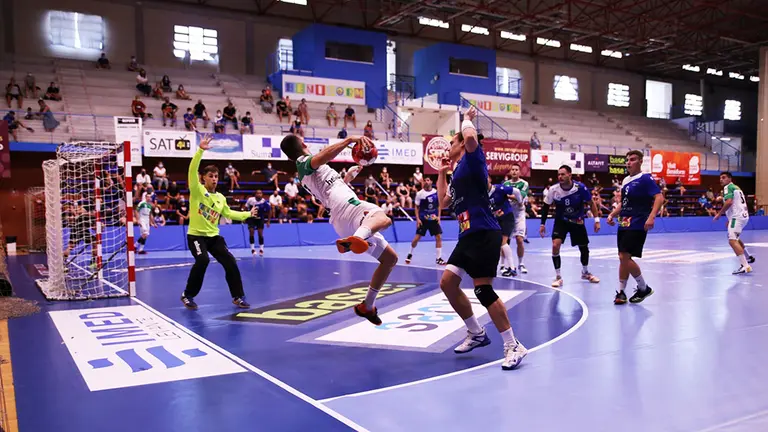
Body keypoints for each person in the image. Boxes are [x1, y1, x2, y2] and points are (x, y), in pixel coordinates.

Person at [435, 106, 527, 370]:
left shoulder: (473, 159)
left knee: (482, 290)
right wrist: (442, 172)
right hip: (467, 235)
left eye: (452, 142)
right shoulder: (458, 173)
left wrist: (466, 119)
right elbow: (443, 202)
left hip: (485, 232)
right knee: (448, 283)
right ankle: (476, 333)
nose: (449, 147)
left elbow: (472, 139)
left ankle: (513, 345)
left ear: (462, 143)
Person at [280, 134, 398, 325]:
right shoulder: (303, 162)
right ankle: (357, 238)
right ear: (303, 144)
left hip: (341, 217)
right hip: (346, 207)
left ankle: (367, 306)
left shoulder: (311, 170)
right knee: (382, 217)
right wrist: (348, 140)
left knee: (390, 259)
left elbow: (330, 189)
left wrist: (346, 179)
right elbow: (321, 158)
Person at [181, 135, 258, 310]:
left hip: (213, 237)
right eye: (210, 176)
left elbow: (228, 213)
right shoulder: (197, 190)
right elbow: (191, 170)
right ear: (203, 178)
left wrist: (247, 214)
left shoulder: (220, 198)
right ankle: (187, 295)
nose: (214, 179)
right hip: (196, 236)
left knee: (230, 261)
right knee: (202, 261)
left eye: (216, 176)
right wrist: (200, 150)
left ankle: (238, 297)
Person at [606, 150, 664, 305]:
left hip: (638, 221)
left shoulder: (645, 178)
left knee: (624, 256)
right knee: (623, 257)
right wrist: (612, 214)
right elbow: (623, 203)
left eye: (632, 160)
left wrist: (651, 217)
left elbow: (659, 197)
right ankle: (621, 292)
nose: (628, 162)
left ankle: (643, 287)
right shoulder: (625, 181)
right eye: (627, 160)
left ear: (640, 162)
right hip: (624, 222)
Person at [539, 165, 601, 287]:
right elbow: (545, 207)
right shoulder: (553, 190)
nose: (560, 177)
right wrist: (542, 224)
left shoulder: (580, 188)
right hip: (561, 221)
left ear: (569, 175)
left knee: (583, 247)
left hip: (577, 221)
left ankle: (585, 272)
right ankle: (558, 277)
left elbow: (591, 203)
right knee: (555, 245)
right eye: (558, 175)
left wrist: (597, 220)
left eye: (563, 174)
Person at [713, 171, 754, 274]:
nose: (721, 179)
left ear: (730, 179)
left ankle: (745, 266)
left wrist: (719, 214)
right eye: (720, 178)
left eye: (724, 177)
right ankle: (748, 257)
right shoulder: (736, 188)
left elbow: (729, 202)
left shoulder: (727, 187)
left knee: (732, 241)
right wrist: (729, 219)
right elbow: (735, 202)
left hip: (737, 217)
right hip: (743, 216)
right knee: (736, 238)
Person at [405, 177, 445, 266]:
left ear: (431, 182)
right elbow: (416, 207)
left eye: (428, 180)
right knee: (416, 239)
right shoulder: (420, 194)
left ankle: (438, 258)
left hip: (434, 219)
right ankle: (410, 253)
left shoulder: (436, 192)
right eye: (425, 180)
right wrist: (418, 219)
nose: (426, 182)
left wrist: (439, 216)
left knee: (438, 237)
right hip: (423, 220)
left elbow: (438, 206)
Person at [488, 177, 523, 277]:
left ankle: (512, 268)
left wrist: (520, 202)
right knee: (500, 243)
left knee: (503, 242)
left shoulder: (499, 189)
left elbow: (516, 191)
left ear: (490, 179)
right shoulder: (483, 195)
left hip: (507, 218)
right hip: (497, 219)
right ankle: (503, 266)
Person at [502, 164, 530, 273]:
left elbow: (521, 196)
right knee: (505, 241)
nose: (514, 171)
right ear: (510, 172)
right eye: (512, 170)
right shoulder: (505, 183)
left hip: (519, 215)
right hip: (508, 214)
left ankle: (521, 263)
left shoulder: (524, 183)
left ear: (520, 172)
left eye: (516, 170)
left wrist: (507, 195)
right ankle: (503, 264)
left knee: (519, 239)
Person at [245, 190, 271, 256]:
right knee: (251, 232)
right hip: (251, 218)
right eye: (257, 193)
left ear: (262, 194)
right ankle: (253, 249)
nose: (259, 194)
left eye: (260, 193)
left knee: (260, 234)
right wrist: (244, 217)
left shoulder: (264, 202)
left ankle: (261, 249)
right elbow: (245, 208)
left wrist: (268, 221)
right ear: (255, 194)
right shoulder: (250, 200)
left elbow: (269, 211)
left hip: (260, 219)